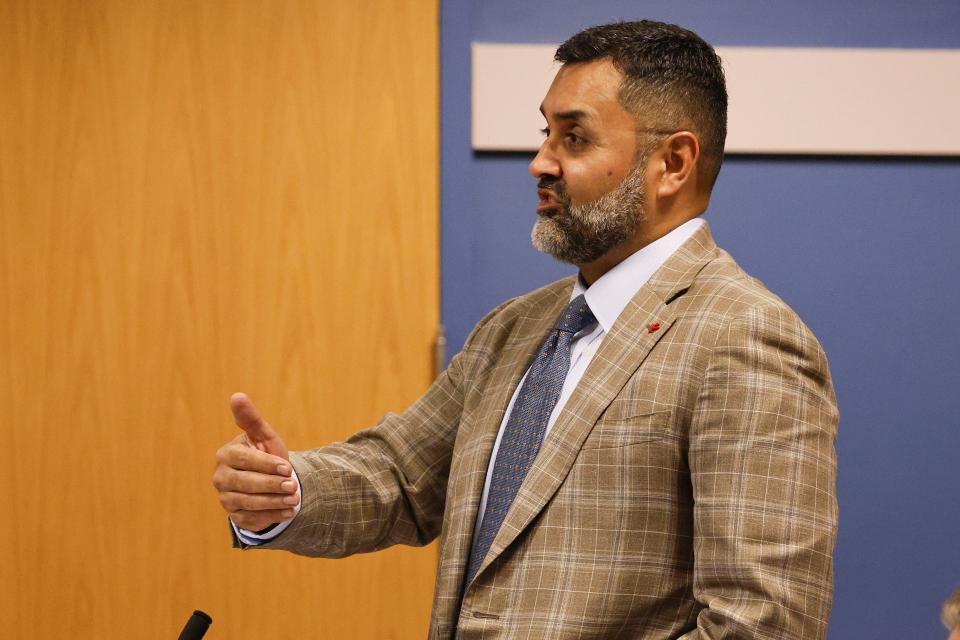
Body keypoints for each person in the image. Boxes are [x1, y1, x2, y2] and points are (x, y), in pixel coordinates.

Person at [212, 20, 839, 639]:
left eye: (575, 138)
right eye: (546, 132)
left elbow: (763, 626)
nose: (540, 161)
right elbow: (403, 477)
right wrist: (288, 491)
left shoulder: (747, 338)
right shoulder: (513, 328)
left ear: (672, 162)